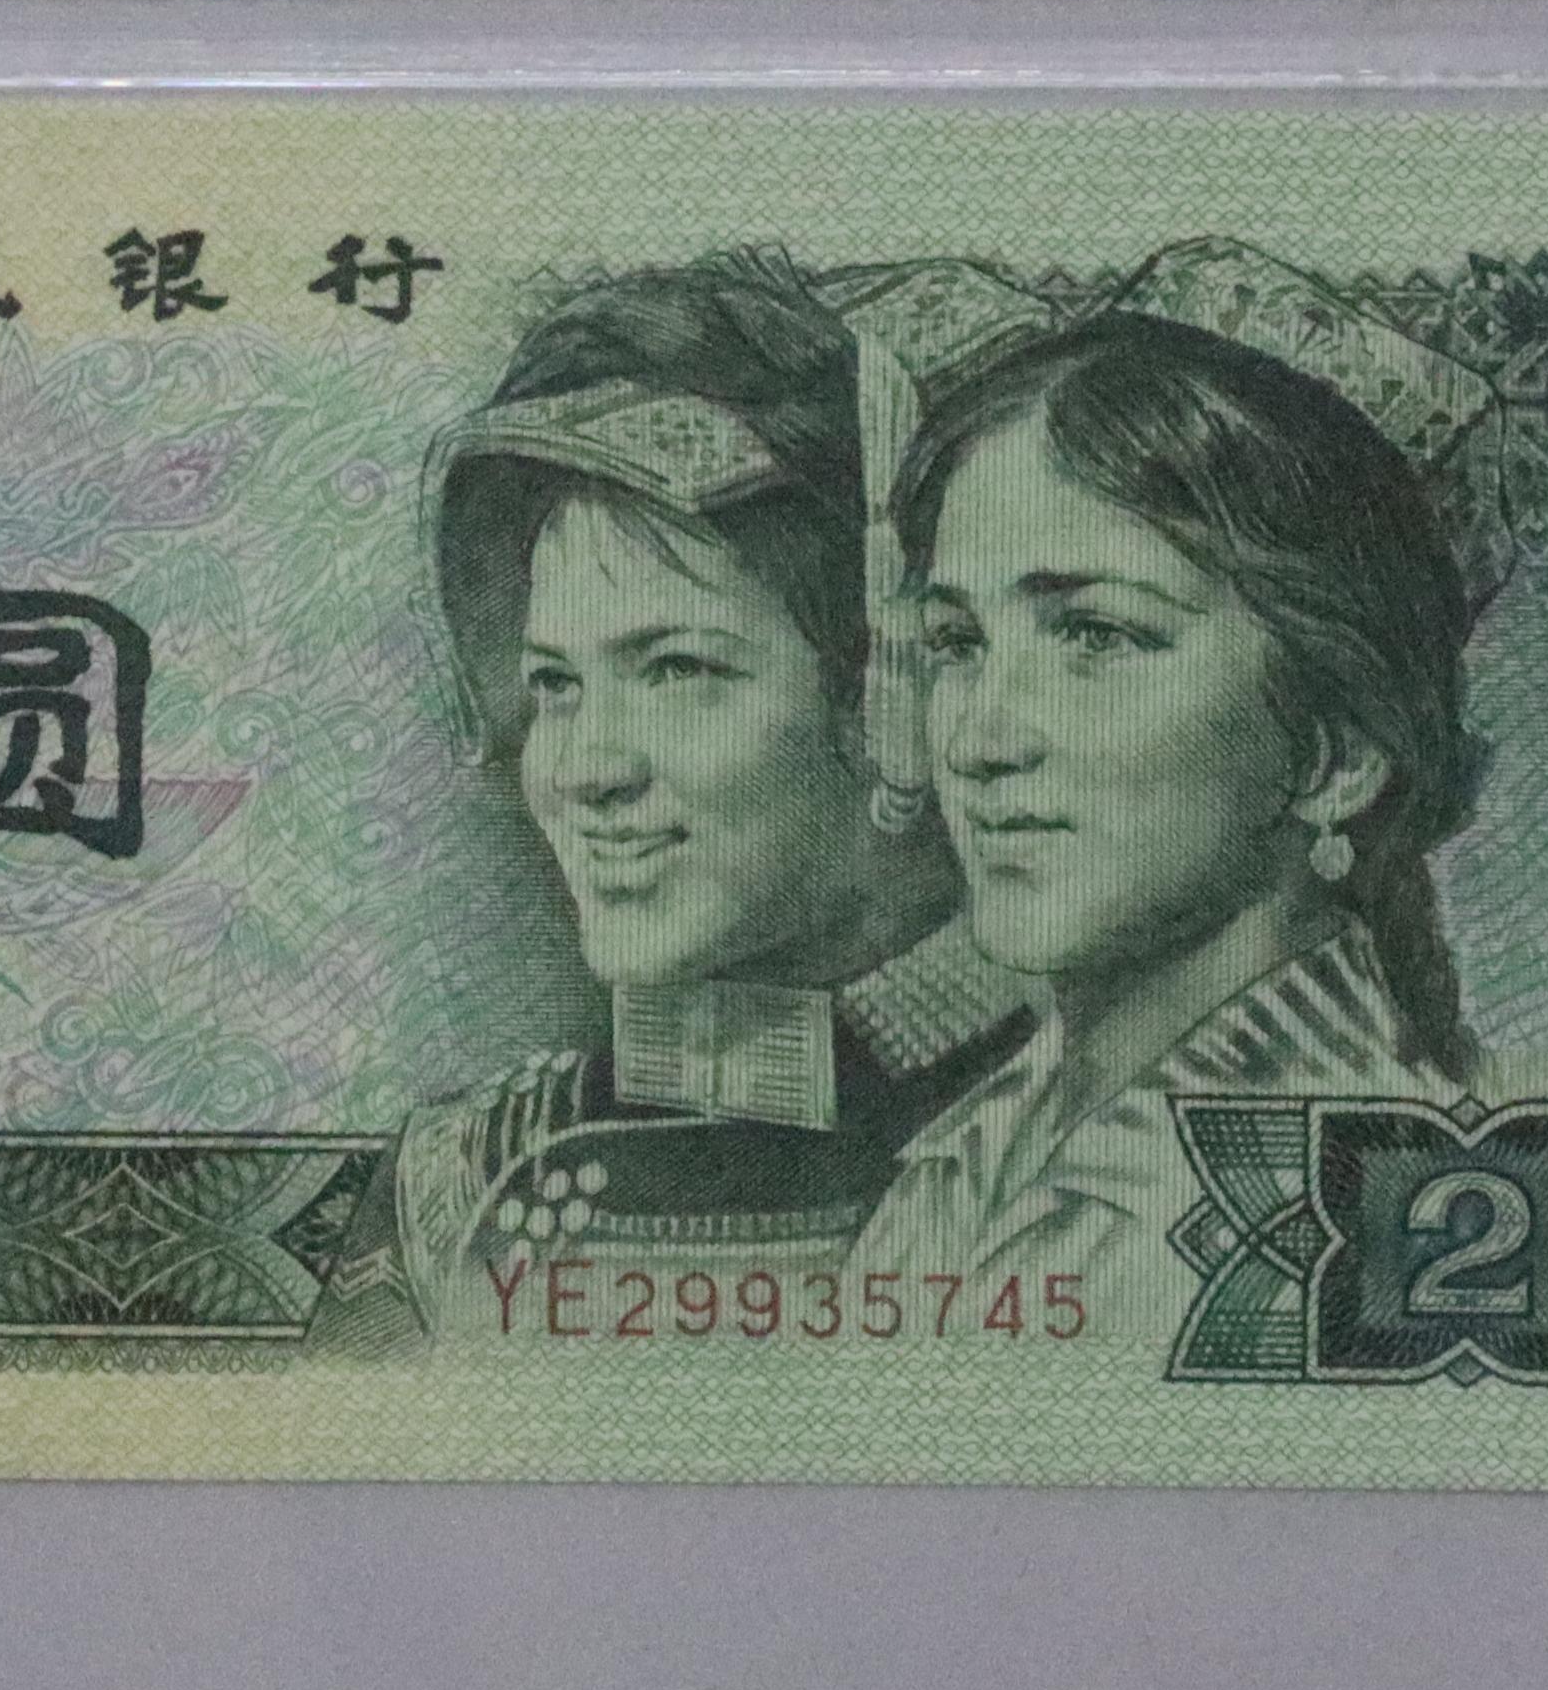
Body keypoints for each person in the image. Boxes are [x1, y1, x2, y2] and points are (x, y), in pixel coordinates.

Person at [304, 252, 1029, 1351]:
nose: (583, 767)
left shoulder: (1103, 1136)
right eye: (555, 685)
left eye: (677, 668)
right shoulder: (464, 1180)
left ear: (891, 692)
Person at [844, 307, 1486, 1311]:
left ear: (1335, 755)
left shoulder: (1365, 1207)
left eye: (1096, 635)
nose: (976, 741)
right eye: (957, 643)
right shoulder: (966, 1156)